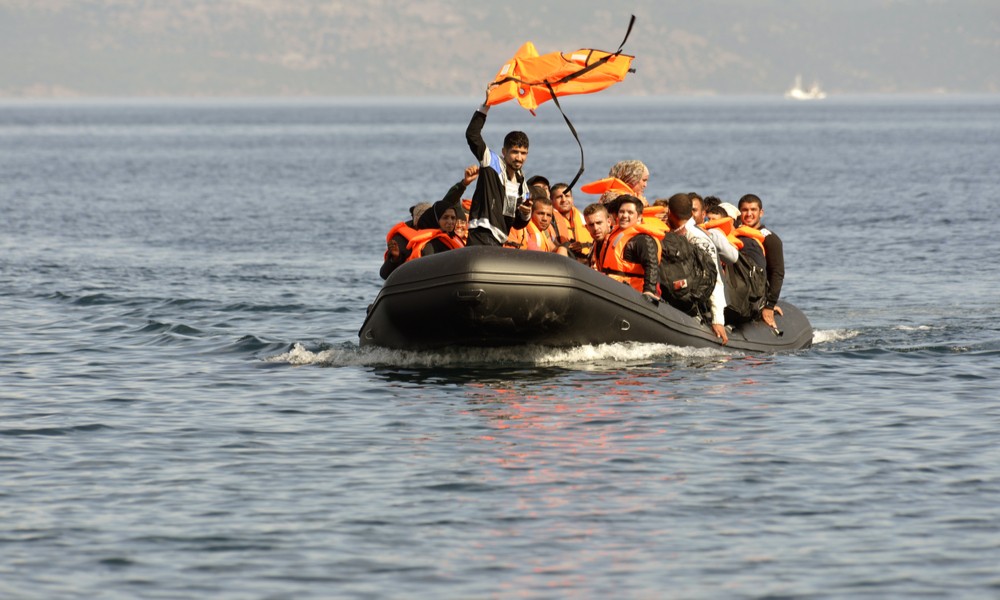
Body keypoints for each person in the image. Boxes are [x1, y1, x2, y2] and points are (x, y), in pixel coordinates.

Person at [465, 98, 531, 246]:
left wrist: (525, 214)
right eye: (515, 152)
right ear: (504, 152)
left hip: (499, 240)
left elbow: (517, 224)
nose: (519, 158)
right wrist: (486, 104)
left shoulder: (522, 185)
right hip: (481, 233)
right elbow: (472, 135)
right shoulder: (491, 162)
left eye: (523, 153)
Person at [666, 193, 728, 343]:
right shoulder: (671, 233)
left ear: (669, 212)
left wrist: (718, 319)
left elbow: (715, 279)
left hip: (700, 306)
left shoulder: (697, 238)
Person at [597, 195, 661, 300]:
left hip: (632, 296)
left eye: (630, 213)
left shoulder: (642, 239)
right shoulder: (615, 233)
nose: (624, 216)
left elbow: (652, 265)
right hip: (611, 290)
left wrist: (649, 290)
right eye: (622, 212)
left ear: (639, 217)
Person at [739, 194, 784, 329]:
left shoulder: (770, 239)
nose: (749, 214)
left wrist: (769, 305)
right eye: (745, 210)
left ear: (761, 213)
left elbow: (777, 273)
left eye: (753, 210)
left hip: (759, 297)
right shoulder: (736, 234)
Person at [550, 183, 593, 262]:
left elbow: (593, 243)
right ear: (551, 201)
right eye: (559, 197)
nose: (564, 200)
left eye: (567, 196)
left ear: (572, 199)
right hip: (563, 262)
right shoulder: (548, 220)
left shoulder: (583, 218)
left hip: (586, 262)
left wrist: (583, 245)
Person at [582, 202, 612, 269]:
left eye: (599, 223)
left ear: (609, 222)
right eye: (591, 225)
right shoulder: (595, 244)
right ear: (587, 227)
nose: (595, 228)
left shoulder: (618, 244)